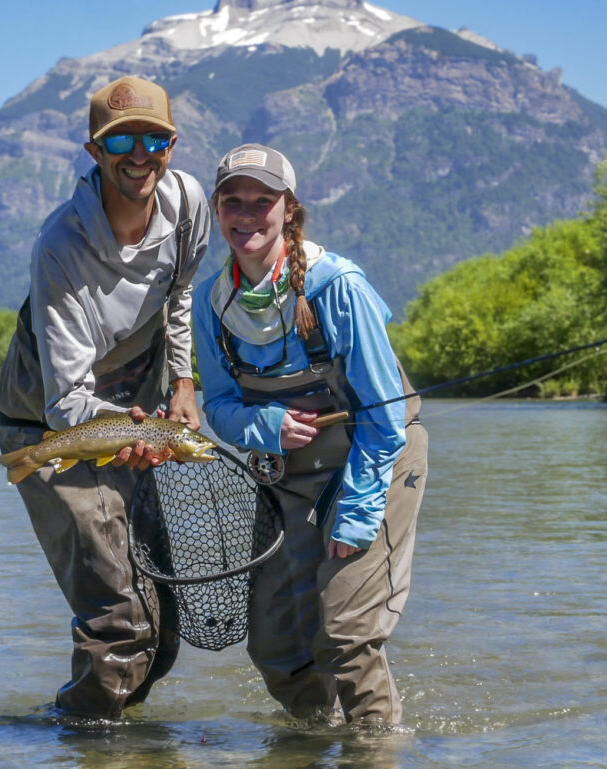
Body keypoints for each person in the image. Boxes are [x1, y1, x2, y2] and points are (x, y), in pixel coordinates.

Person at [0, 76, 211, 719]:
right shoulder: (60, 246)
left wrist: (182, 383)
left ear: (172, 146)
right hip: (48, 429)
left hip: (131, 416)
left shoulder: (190, 203)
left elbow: (180, 297)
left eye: (154, 139)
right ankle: (81, 740)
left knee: (161, 631)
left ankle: (117, 745)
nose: (139, 154)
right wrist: (139, 435)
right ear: (94, 151)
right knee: (121, 625)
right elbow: (67, 402)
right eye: (121, 141)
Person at [192, 144, 428, 725]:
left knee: (346, 632)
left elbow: (383, 415)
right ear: (217, 211)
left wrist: (356, 512)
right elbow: (218, 406)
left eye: (262, 202)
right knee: (278, 648)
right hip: (291, 477)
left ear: (289, 210)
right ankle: (316, 743)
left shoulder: (336, 286)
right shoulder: (209, 302)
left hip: (377, 461)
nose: (246, 215)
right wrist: (265, 424)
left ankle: (375, 751)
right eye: (233, 202)